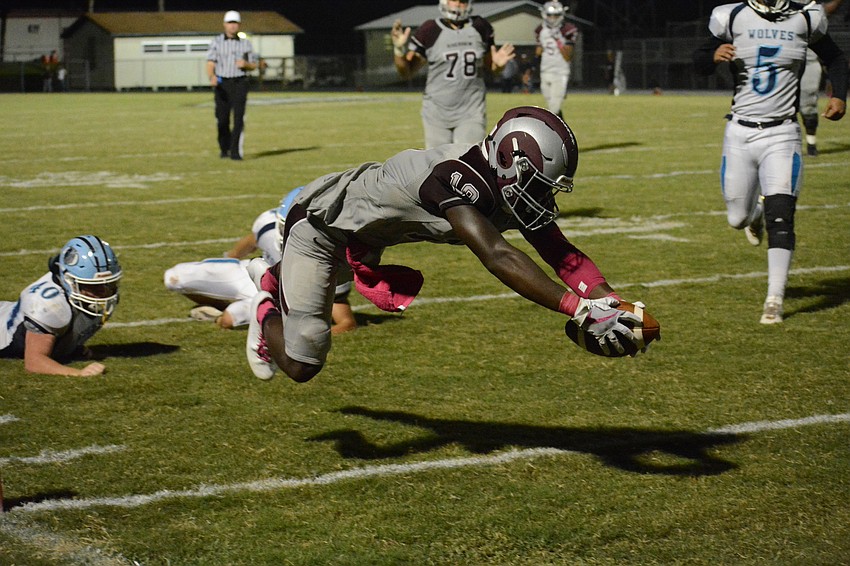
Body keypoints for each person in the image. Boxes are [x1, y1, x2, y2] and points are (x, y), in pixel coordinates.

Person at [244, 106, 652, 383]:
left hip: (364, 238)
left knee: (308, 336)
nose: (541, 197)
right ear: (508, 161)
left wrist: (610, 301)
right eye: (537, 185)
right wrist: (580, 309)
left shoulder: (504, 182)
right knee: (302, 363)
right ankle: (263, 302)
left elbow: (560, 253)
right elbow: (497, 255)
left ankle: (275, 281)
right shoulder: (456, 176)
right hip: (321, 228)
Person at [693, 0, 847, 324]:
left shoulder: (805, 17)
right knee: (737, 218)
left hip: (783, 133)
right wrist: (712, 56)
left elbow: (835, 58)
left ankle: (774, 299)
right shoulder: (731, 15)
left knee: (782, 218)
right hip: (739, 132)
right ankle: (755, 215)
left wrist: (839, 95)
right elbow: (699, 62)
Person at [164, 189, 356, 335]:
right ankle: (221, 305)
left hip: (281, 299)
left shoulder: (328, 257)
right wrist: (230, 258)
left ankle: (224, 314)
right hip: (253, 273)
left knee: (229, 319)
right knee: (174, 277)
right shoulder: (268, 225)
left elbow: (346, 321)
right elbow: (254, 240)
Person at [390, 0, 516, 149]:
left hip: (471, 111)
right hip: (436, 113)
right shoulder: (430, 29)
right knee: (439, 162)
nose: (457, 5)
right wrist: (399, 50)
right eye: (453, 0)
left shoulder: (481, 27)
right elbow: (406, 72)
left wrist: (498, 67)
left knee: (470, 159)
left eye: (462, 1)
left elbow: (491, 67)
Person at [0, 235, 122, 376]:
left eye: (106, 284)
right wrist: (79, 373)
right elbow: (34, 362)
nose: (102, 293)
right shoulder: (48, 303)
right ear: (69, 280)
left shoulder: (72, 292)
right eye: (92, 286)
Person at [206, 10, 257, 161]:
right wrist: (212, 76)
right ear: (224, 24)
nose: (232, 26)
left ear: (239, 25)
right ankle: (224, 147)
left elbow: (254, 65)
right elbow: (210, 62)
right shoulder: (216, 42)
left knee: (239, 118)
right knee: (222, 119)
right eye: (230, 23)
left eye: (235, 23)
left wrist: (246, 64)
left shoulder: (245, 43)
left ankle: (235, 151)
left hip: (239, 82)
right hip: (222, 83)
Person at [799, 0, 845, 156]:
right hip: (778, 63)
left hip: (809, 59)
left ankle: (811, 142)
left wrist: (838, 93)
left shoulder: (811, 12)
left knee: (808, 104)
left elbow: (834, 57)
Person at [535, 1, 578, 119]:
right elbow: (538, 52)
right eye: (550, 15)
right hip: (545, 70)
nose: (552, 18)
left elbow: (568, 56)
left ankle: (554, 128)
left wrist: (558, 40)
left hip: (560, 72)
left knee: (554, 107)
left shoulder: (568, 30)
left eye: (556, 15)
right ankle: (561, 127)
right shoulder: (540, 30)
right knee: (550, 105)